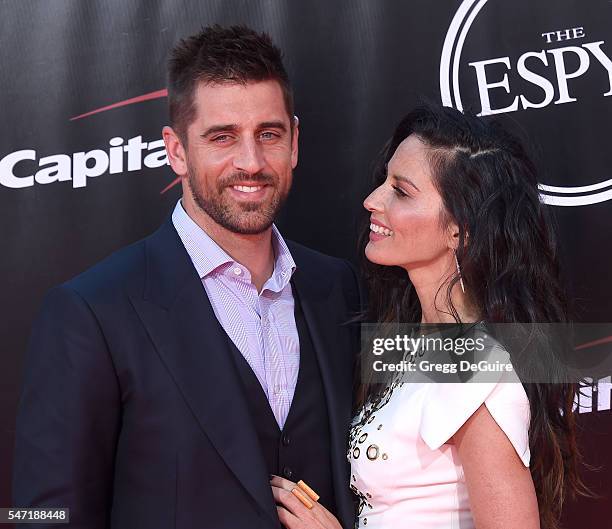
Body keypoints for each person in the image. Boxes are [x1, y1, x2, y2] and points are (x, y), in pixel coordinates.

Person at [13, 25, 360, 529]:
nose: (251, 162)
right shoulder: (91, 311)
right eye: (222, 137)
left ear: (295, 141)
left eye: (269, 134)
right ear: (176, 151)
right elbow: (40, 515)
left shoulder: (336, 287)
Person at [272, 103, 587, 529]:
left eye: (400, 191)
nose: (372, 200)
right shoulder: (421, 348)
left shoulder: (474, 370)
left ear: (459, 228)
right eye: (384, 181)